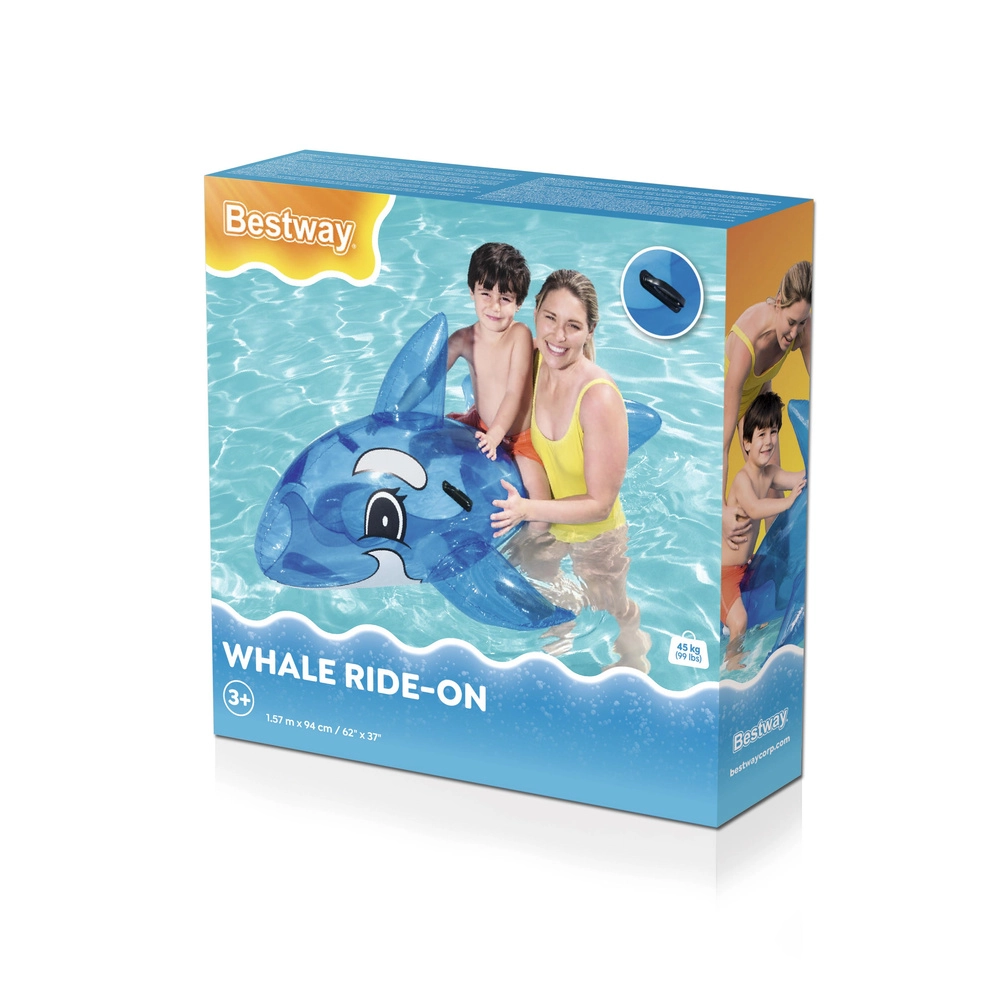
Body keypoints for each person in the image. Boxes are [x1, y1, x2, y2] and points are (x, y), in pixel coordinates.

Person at [489, 270, 649, 671]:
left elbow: (599, 504)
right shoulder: (531, 362)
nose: (558, 336)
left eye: (573, 326)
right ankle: (563, 628)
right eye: (550, 318)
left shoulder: (598, 397)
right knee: (532, 580)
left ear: (590, 330)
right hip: (546, 517)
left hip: (596, 534)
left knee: (611, 605)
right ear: (535, 314)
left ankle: (635, 643)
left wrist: (528, 510)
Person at [447, 243, 550, 502]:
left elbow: (514, 392)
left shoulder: (519, 335)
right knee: (433, 437)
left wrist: (496, 434)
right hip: (481, 424)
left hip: (518, 438)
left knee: (540, 501)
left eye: (505, 299)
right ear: (471, 291)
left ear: (519, 303)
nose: (494, 307)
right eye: (485, 294)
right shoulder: (463, 339)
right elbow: (429, 376)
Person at [723, 261, 811, 549]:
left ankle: (775, 563)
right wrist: (721, 511)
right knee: (736, 514)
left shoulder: (802, 329)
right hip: (722, 401)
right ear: (779, 302)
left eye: (802, 322)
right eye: (791, 322)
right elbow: (722, 443)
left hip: (756, 397)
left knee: (772, 487)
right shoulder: (749, 340)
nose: (794, 332)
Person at [721, 392, 806, 670]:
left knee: (770, 601)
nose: (768, 441)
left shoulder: (769, 473)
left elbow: (799, 477)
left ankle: (753, 644)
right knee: (740, 622)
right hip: (724, 572)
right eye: (761, 434)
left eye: (773, 432)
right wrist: (788, 502)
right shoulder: (742, 480)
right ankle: (731, 665)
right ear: (746, 442)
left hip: (747, 566)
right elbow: (755, 508)